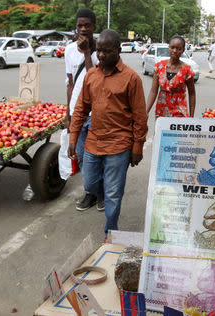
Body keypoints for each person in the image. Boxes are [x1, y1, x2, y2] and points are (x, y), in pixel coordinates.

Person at [68, 29, 148, 239]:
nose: (102, 55)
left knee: (113, 193)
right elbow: (80, 109)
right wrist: (73, 136)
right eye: (99, 51)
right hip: (93, 142)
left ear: (118, 50)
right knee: (90, 183)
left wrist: (137, 146)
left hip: (119, 145)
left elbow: (140, 116)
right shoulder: (91, 75)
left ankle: (110, 231)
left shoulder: (131, 78)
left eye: (107, 51)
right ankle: (106, 194)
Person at [64, 8, 100, 211]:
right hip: (77, 113)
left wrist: (87, 52)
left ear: (94, 27)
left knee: (96, 156)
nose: (83, 29)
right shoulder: (69, 50)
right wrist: (67, 113)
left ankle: (95, 193)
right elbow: (70, 83)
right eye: (80, 25)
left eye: (87, 25)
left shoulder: (99, 51)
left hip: (95, 114)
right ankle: (91, 192)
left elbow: (93, 81)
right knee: (81, 155)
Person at [146, 35, 196, 118]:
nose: (175, 51)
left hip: (179, 113)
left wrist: (191, 117)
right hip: (161, 112)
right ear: (168, 48)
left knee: (178, 131)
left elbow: (192, 94)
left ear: (183, 50)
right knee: (160, 131)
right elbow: (153, 91)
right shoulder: (159, 66)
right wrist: (146, 111)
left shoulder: (187, 70)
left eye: (179, 48)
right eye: (172, 47)